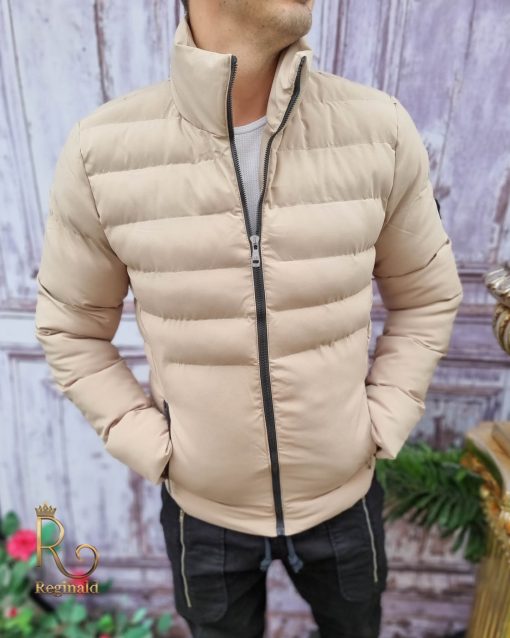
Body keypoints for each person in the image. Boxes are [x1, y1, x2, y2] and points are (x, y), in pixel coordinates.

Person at [34, 0, 464, 636]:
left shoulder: (380, 129)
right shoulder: (103, 152)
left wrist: (379, 421)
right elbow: (70, 329)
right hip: (203, 514)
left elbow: (426, 295)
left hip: (344, 502)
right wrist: (158, 449)